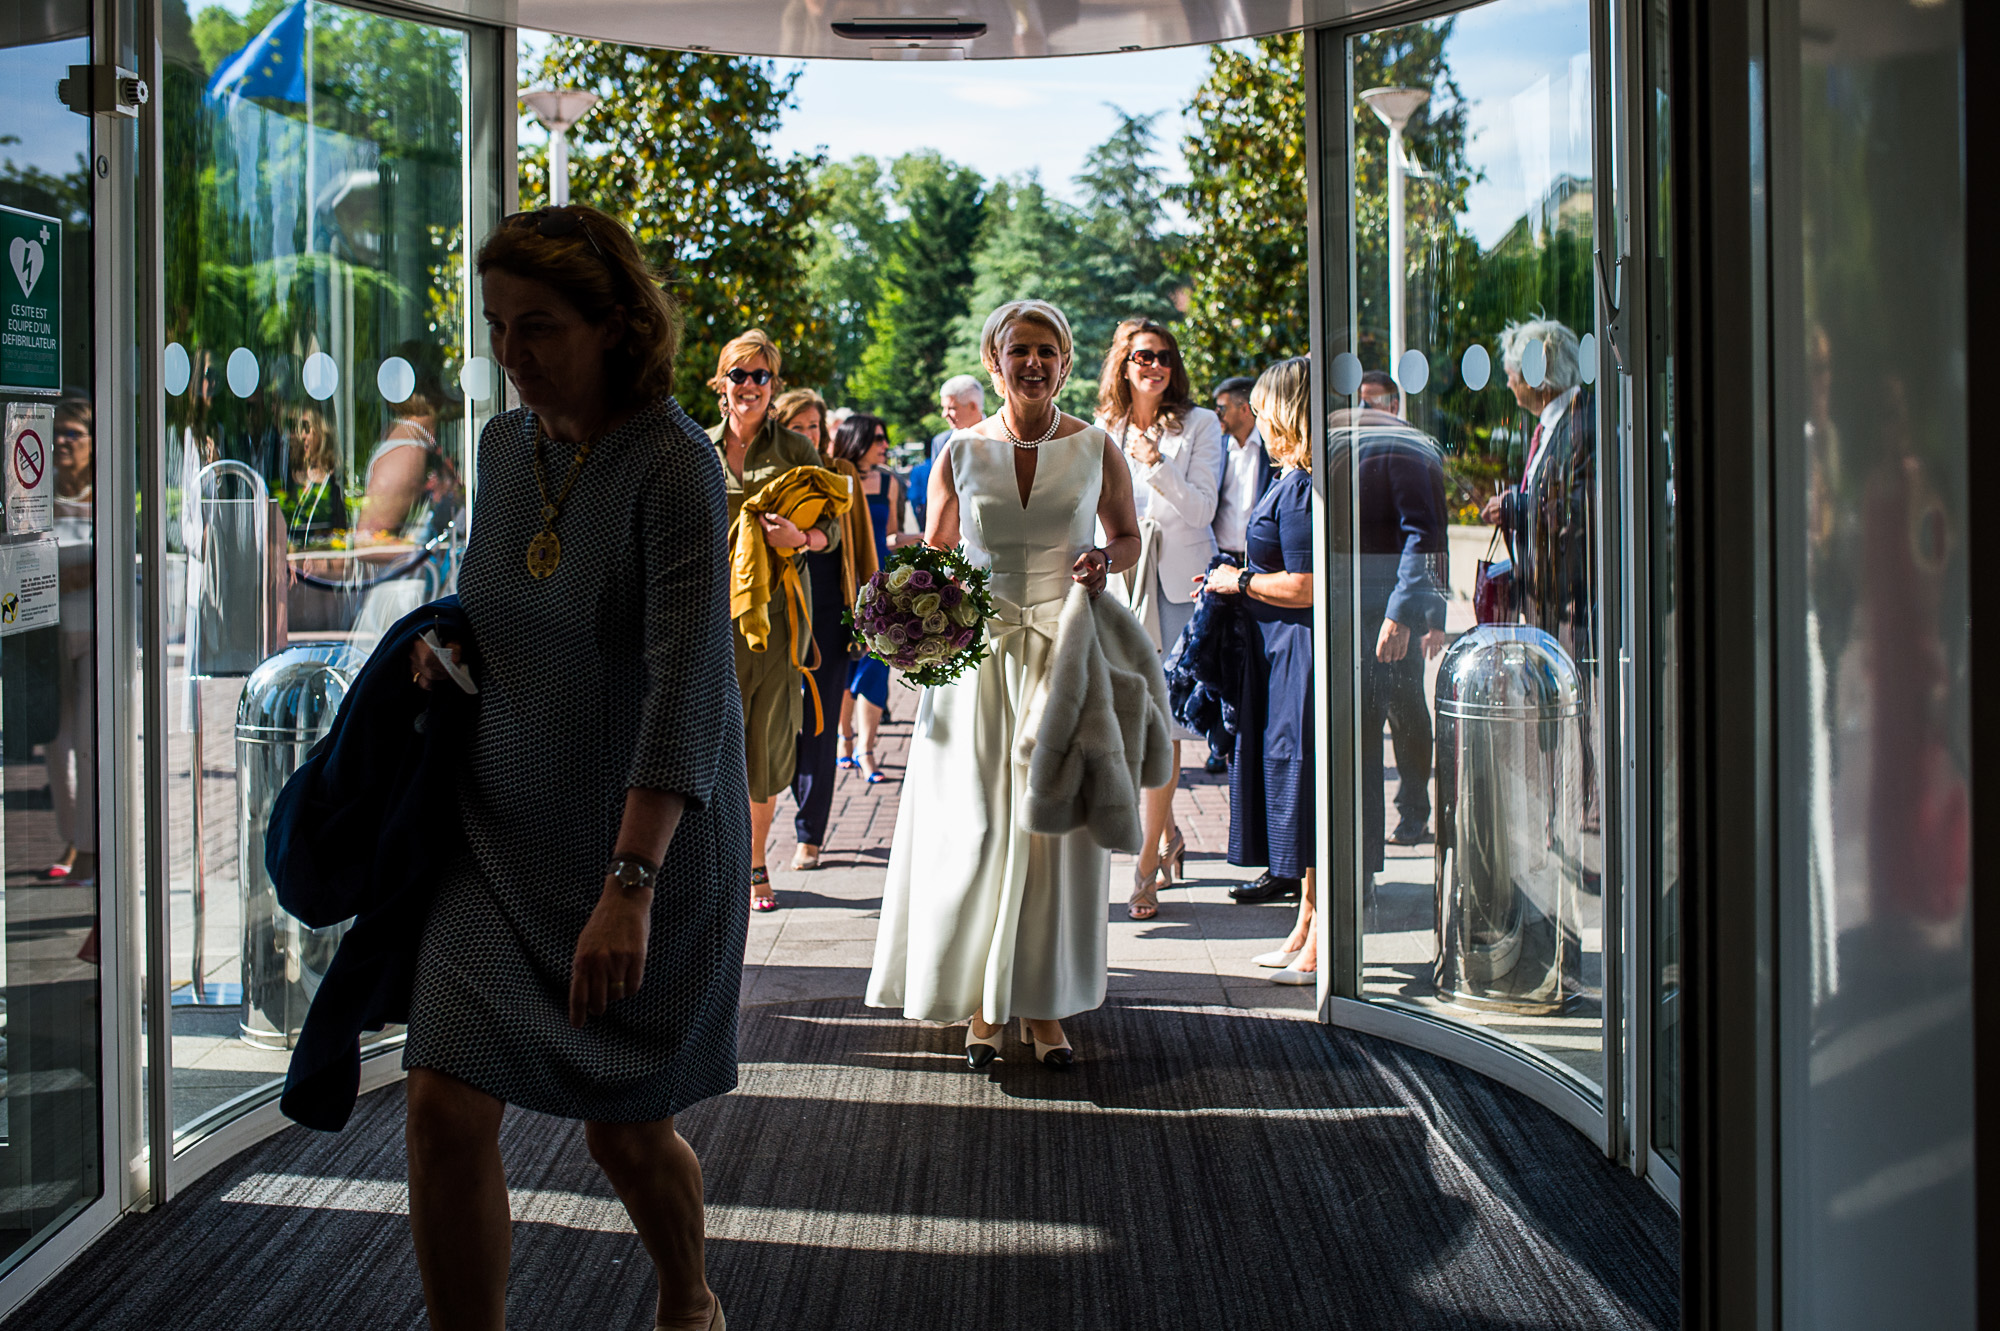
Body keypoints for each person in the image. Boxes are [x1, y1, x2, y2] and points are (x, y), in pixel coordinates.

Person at [400, 203, 744, 1331]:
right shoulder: (505, 447)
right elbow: (500, 605)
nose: (511, 353)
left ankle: (687, 1296)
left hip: (640, 846)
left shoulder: (674, 465)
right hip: (497, 834)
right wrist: (447, 647)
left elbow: (685, 685)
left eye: (537, 326)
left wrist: (629, 886)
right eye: (497, 325)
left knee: (623, 1124)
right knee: (444, 1100)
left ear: (612, 323)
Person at [866, 299, 1142, 1069]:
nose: (1032, 362)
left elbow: (1126, 537)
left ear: (1065, 361)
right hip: (979, 668)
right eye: (1018, 349)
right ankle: (985, 1003)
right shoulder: (960, 452)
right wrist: (912, 618)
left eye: (1046, 349)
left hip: (1065, 654)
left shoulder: (1096, 448)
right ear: (995, 361)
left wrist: (1103, 563)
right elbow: (940, 556)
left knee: (1055, 836)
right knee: (979, 828)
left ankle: (1045, 1007)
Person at [707, 330, 841, 912]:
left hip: (781, 619)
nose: (750, 386)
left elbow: (831, 528)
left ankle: (755, 863)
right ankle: (715, 862)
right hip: (710, 619)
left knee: (763, 746)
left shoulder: (795, 451)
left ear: (774, 386)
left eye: (761, 377)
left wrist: (800, 537)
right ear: (721, 382)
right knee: (711, 745)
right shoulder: (697, 449)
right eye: (740, 374)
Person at [1095, 318, 1224, 921]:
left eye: (1165, 357)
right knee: (1128, 725)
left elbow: (1200, 511)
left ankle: (1144, 867)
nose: (1155, 366)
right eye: (1143, 357)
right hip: (1119, 590)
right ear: (1124, 365)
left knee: (1165, 726)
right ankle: (1167, 832)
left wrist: (1154, 464)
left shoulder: (1200, 425)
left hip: (1177, 589)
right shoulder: (1103, 429)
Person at [1197, 358, 1318, 985]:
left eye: (1265, 409)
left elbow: (1307, 584)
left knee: (1303, 785)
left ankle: (1320, 941)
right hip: (1280, 648)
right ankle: (1306, 925)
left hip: (1299, 649)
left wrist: (1237, 579)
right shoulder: (1296, 477)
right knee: (1292, 784)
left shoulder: (1302, 488)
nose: (1255, 420)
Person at [1349, 400, 1450, 874]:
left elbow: (1428, 534)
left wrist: (1421, 614)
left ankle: (1414, 811)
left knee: (1407, 711)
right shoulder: (1342, 439)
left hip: (1390, 613)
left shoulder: (1398, 443)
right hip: (1357, 612)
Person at [781, 399, 878, 871]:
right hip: (775, 618)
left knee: (818, 728)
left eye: (814, 426)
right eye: (796, 426)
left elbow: (861, 544)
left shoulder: (841, 472)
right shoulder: (769, 470)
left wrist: (868, 611)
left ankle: (809, 835)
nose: (807, 434)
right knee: (773, 727)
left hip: (829, 616)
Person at [834, 414, 917, 784]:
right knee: (843, 669)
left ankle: (867, 749)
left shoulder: (889, 481)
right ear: (859, 439)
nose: (885, 445)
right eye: (879, 438)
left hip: (879, 588)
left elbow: (892, 534)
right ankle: (844, 740)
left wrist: (920, 539)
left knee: (876, 668)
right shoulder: (836, 478)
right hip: (840, 585)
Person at [1207, 374, 1277, 780]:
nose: (1217, 414)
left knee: (1254, 651)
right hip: (1220, 561)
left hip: (1259, 567)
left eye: (1222, 407)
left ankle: (1251, 736)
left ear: (1244, 407)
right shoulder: (1216, 449)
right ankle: (1220, 743)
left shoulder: (1272, 450)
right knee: (1220, 654)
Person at [47, 395, 95, 885]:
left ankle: (89, 850)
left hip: (96, 636)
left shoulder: (111, 494)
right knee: (54, 747)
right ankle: (72, 837)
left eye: (73, 435)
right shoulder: (34, 496)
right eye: (56, 433)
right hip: (48, 637)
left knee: (88, 743)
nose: (62, 442)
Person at [911, 374, 986, 531]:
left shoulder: (997, 437)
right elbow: (938, 494)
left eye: (951, 408)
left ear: (973, 406)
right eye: (943, 408)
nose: (944, 414)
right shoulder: (941, 442)